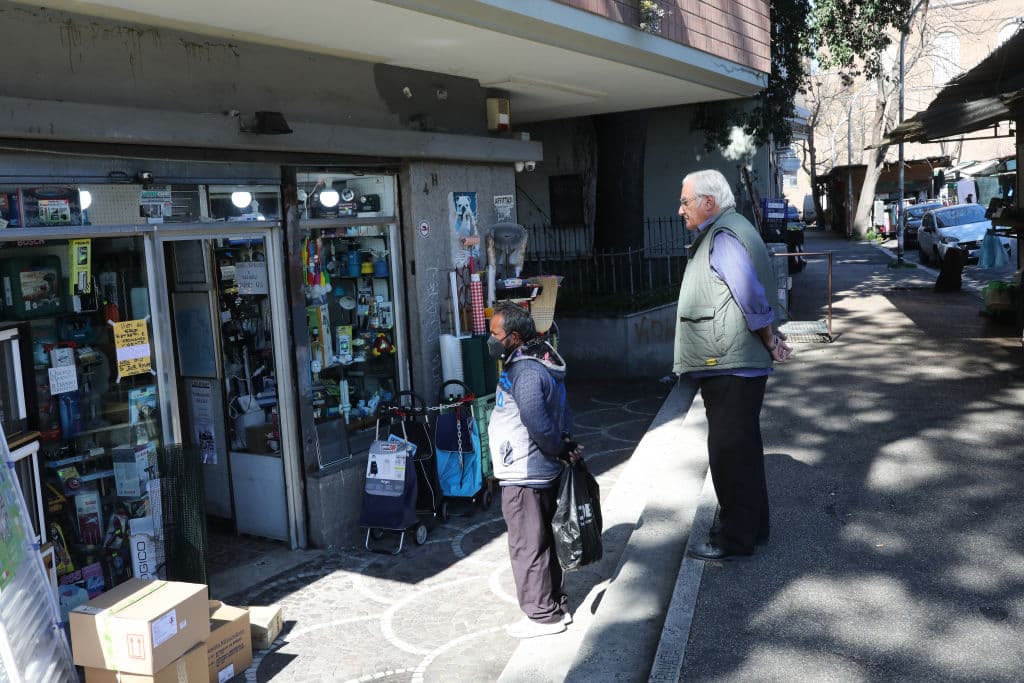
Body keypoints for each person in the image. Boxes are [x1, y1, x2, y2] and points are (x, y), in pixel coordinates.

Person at [673, 169, 792, 561]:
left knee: (729, 455)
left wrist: (770, 340)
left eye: (686, 201)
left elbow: (750, 296)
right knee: (743, 449)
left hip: (729, 364)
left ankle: (735, 539)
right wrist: (770, 340)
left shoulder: (722, 235)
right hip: (733, 364)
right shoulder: (731, 228)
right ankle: (754, 530)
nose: (680, 210)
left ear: (708, 202)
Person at [487, 302, 581, 638]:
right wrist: (561, 448)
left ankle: (543, 616)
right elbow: (560, 413)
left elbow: (537, 421)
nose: (491, 339)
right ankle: (555, 605)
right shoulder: (535, 362)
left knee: (527, 544)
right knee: (540, 541)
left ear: (513, 337)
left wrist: (557, 448)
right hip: (535, 469)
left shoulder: (525, 372)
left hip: (525, 472)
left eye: (495, 334)